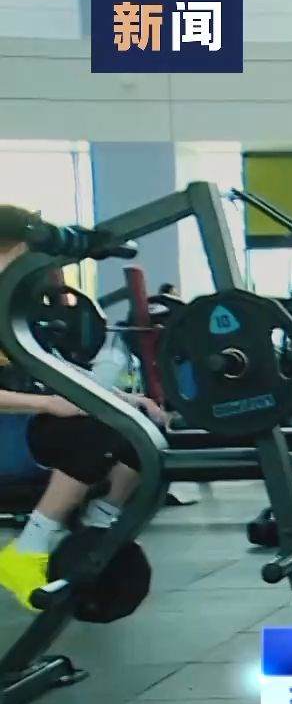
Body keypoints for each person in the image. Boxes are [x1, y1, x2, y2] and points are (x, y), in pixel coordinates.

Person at [0, 213, 169, 608]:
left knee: (140, 425)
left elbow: (49, 363)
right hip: (7, 427)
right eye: (22, 258)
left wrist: (121, 399)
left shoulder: (11, 309)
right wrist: (49, 403)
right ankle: (27, 549)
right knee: (93, 434)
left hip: (25, 419)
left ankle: (99, 525)